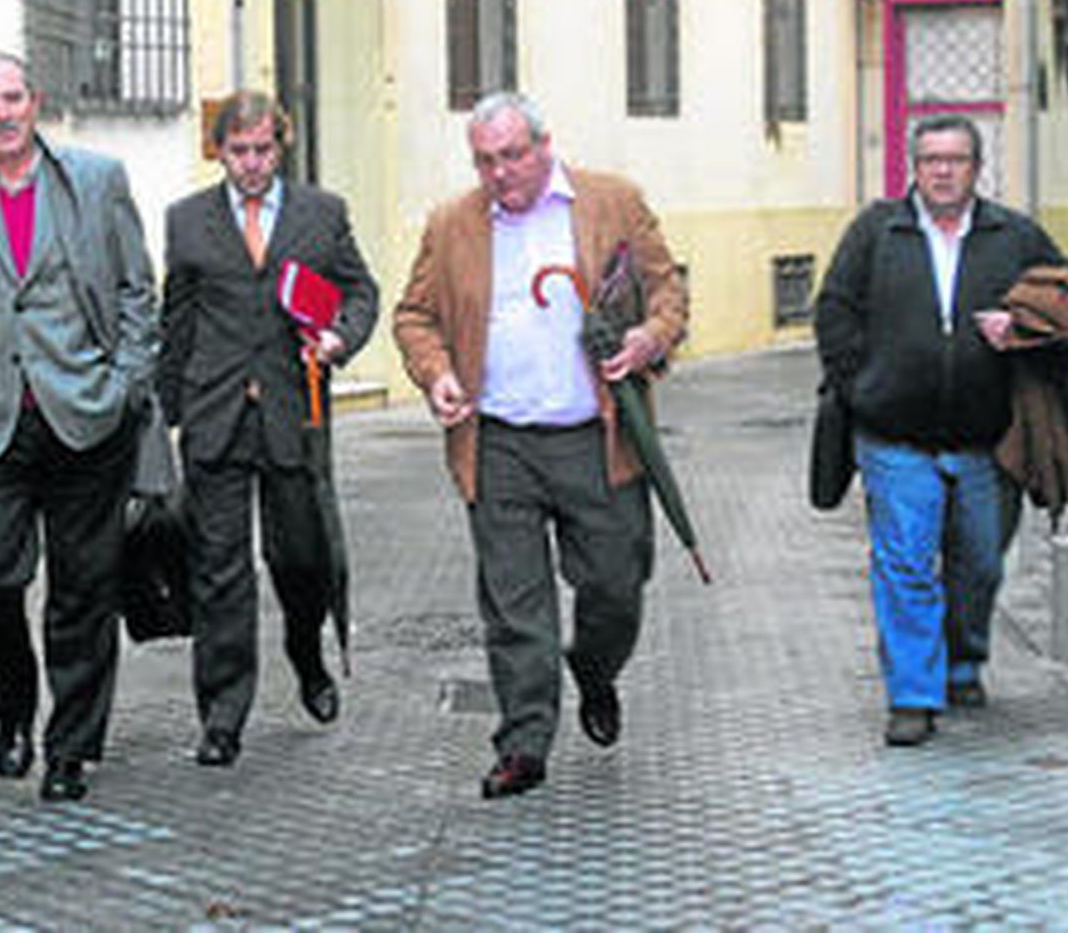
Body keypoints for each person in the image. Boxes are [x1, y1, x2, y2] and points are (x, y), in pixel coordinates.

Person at [393, 93, 687, 799]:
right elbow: (415, 317)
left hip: (596, 436)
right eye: (485, 161)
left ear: (544, 145)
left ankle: (593, 668)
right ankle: (524, 740)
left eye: (513, 156)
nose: (500, 173)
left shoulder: (612, 202)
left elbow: (667, 291)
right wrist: (435, 376)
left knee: (616, 584)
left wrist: (649, 338)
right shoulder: (452, 224)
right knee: (513, 602)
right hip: (498, 442)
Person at [0, 52, 158, 801]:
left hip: (87, 418)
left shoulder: (95, 178)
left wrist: (123, 385)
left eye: (13, 98)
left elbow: (137, 291)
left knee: (84, 590)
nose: (3, 114)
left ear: (35, 102)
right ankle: (12, 701)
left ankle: (69, 748)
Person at [815, 114, 1061, 747]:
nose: (943, 170)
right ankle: (913, 696)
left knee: (979, 562)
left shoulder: (1015, 236)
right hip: (895, 438)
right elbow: (834, 310)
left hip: (988, 439)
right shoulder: (877, 232)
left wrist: (1023, 329)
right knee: (903, 563)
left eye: (955, 159)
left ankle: (962, 657)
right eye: (930, 159)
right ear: (913, 167)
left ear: (978, 168)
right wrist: (861, 385)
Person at [159, 91, 378, 768]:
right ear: (219, 152)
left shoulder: (322, 214)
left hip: (294, 414)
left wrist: (340, 338)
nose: (251, 165)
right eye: (237, 151)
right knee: (220, 574)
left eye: (262, 150)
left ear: (280, 146)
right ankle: (222, 716)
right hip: (216, 417)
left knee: (302, 559)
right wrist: (163, 417)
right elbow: (178, 322)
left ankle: (307, 654)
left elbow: (359, 292)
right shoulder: (188, 221)